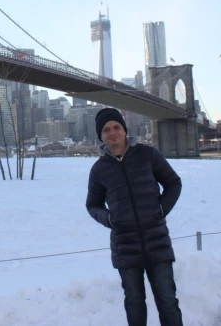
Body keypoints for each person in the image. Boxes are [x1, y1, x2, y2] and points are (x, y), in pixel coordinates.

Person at [86, 107, 183, 326]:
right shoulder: (99, 170)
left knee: (167, 301)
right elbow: (92, 205)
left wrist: (160, 210)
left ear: (124, 129)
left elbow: (173, 183)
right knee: (134, 303)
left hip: (157, 240)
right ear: (100, 136)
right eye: (106, 130)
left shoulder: (148, 155)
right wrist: (110, 219)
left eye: (116, 127)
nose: (113, 133)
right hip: (125, 245)